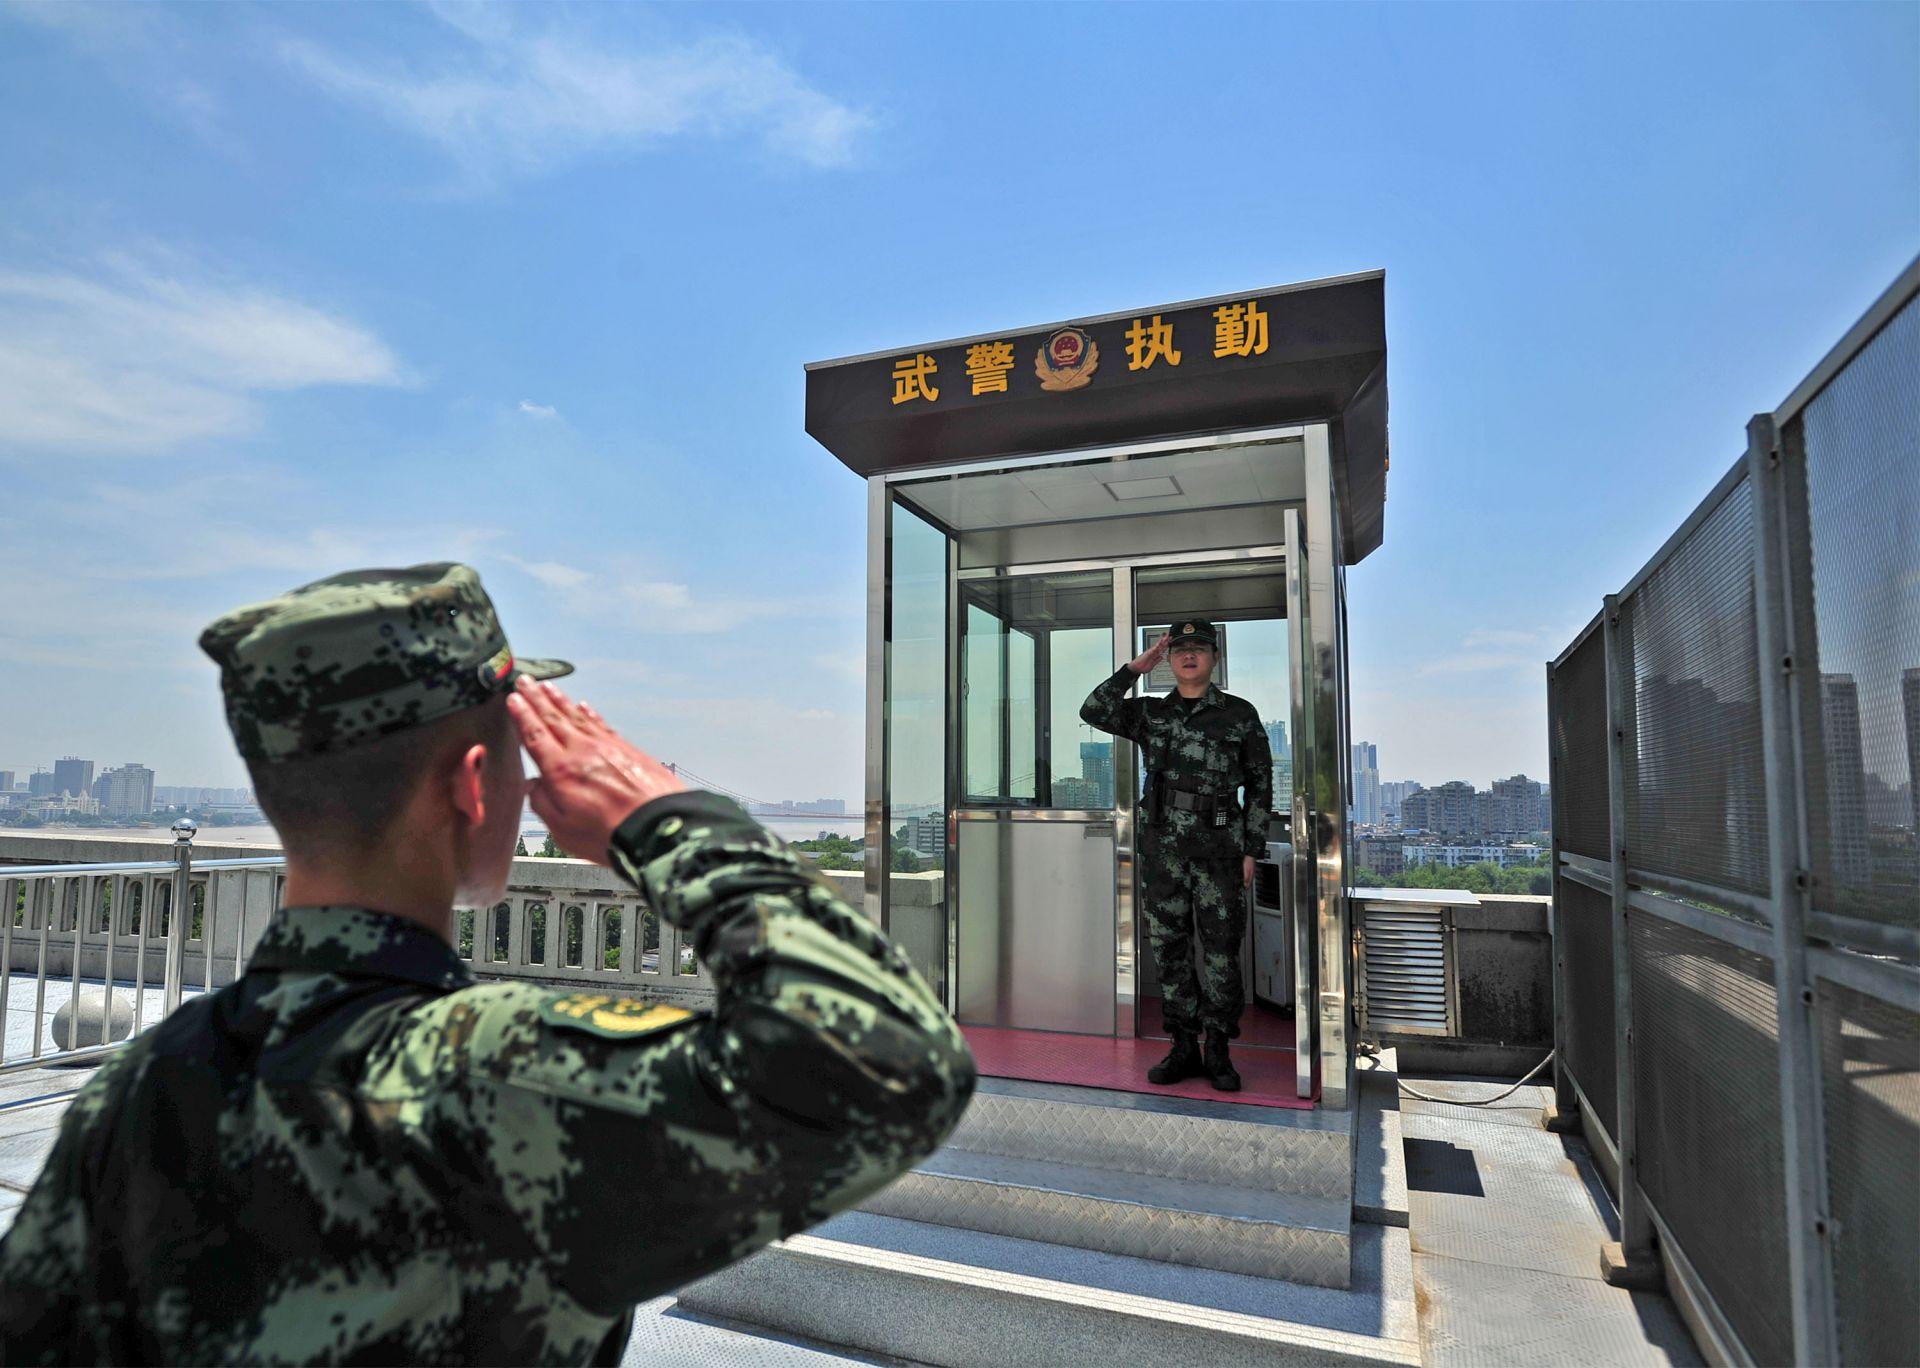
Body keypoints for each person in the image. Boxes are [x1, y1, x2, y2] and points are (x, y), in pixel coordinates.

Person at [0, 562, 975, 1365]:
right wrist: (665, 820)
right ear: (474, 785)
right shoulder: (495, 1079)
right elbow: (886, 1059)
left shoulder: (139, 1088)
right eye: (515, 750)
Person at [1080, 620, 1272, 1092]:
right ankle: (1184, 1045)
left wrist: (1252, 849)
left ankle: (1219, 1049)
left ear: (1214, 658)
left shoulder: (1239, 714)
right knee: (1171, 950)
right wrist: (1132, 669)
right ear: (1168, 660)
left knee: (1222, 952)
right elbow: (1093, 710)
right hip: (1164, 850)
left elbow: (1261, 785)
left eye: (1199, 649)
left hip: (1220, 853)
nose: (1189, 656)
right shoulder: (1150, 712)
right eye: (1180, 649)